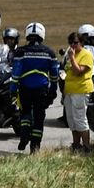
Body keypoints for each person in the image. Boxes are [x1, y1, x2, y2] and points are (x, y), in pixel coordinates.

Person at [10, 23, 59, 154]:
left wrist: (13, 89)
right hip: (41, 89)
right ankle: (35, 147)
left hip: (25, 88)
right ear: (42, 35)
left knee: (25, 113)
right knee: (39, 118)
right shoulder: (49, 53)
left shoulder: (20, 52)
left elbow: (16, 73)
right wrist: (53, 91)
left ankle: (24, 135)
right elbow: (54, 75)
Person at [62, 30, 94, 150]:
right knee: (71, 119)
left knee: (80, 118)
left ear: (81, 42)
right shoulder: (71, 54)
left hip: (81, 90)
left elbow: (78, 72)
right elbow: (67, 71)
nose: (72, 45)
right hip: (70, 90)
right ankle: (76, 144)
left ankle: (87, 146)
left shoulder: (86, 55)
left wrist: (72, 58)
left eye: (75, 43)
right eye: (70, 43)